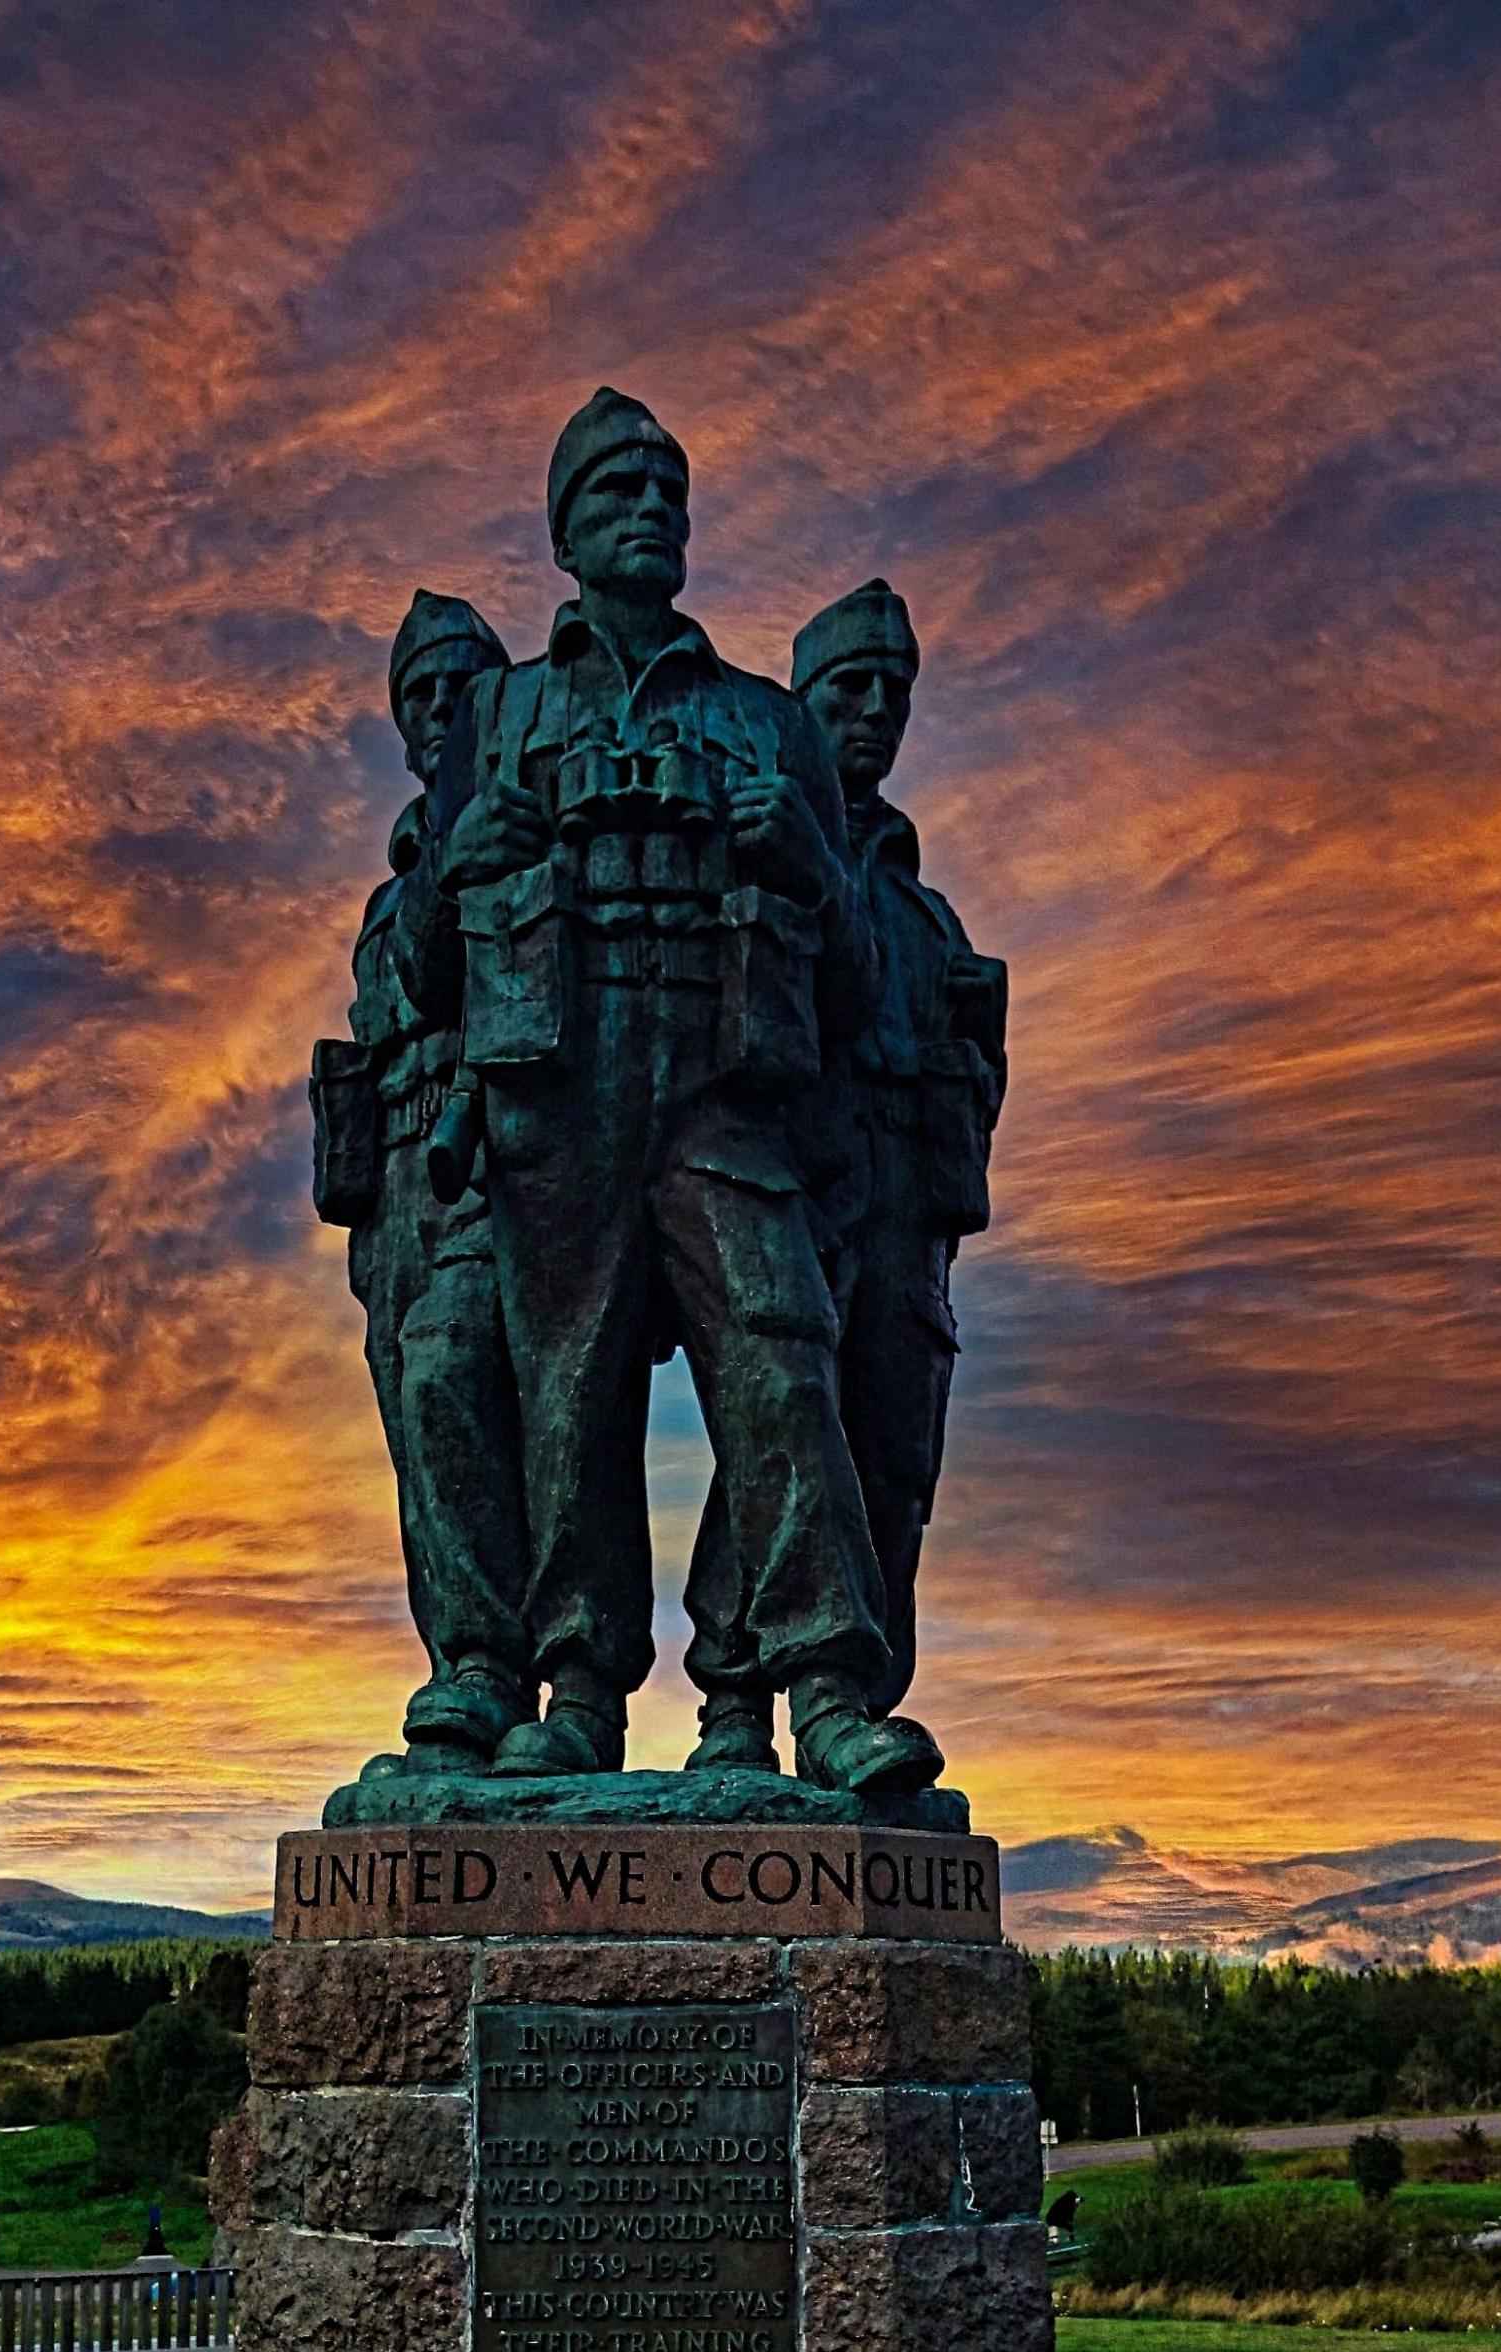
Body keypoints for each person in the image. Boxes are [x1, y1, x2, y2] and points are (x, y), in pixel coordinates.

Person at [396, 391, 942, 1798]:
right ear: (566, 531)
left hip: (722, 1091)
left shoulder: (769, 722)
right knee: (566, 1396)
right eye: (616, 490)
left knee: (782, 1358)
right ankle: (575, 1691)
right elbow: (420, 977)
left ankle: (822, 1686)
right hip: (557, 1095)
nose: (649, 510)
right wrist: (464, 866)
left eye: (668, 491)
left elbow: (867, 984)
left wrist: (814, 869)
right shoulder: (502, 709)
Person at [684, 579, 1006, 1757]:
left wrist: (972, 1062)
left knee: (891, 1460)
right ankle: (733, 1699)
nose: (875, 710)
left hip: (907, 1223)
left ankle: (857, 1705)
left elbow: (976, 1084)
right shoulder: (755, 845)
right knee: (775, 1428)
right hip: (800, 1188)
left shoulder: (929, 919)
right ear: (801, 704)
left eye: (895, 690)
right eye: (847, 688)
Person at [312, 588, 535, 1766]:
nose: (442, 708)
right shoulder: (395, 886)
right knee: (418, 1422)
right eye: (422, 693)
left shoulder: (509, 839)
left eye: (461, 685)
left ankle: (506, 1663)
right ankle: (464, 1670)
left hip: (492, 1150)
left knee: (461, 1377)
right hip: (390, 1178)